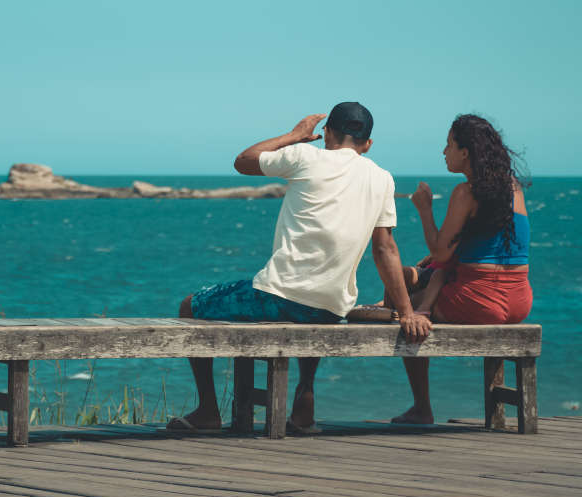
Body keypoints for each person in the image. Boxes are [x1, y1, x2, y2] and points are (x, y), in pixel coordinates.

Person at [168, 102, 432, 434]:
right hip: (333, 307)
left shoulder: (305, 156)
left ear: (327, 134)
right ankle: (304, 397)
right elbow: (385, 248)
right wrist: (407, 310)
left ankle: (207, 411)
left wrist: (294, 136)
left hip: (278, 297)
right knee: (315, 302)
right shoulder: (381, 179)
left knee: (190, 306)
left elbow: (243, 161)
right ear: (367, 144)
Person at [391, 114, 531, 424]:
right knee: (410, 277)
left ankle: (422, 408)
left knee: (407, 307)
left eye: (449, 144)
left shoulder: (465, 193)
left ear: (465, 152)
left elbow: (442, 249)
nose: (444, 151)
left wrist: (424, 209)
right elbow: (488, 248)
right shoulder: (513, 189)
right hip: (519, 301)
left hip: (479, 300)